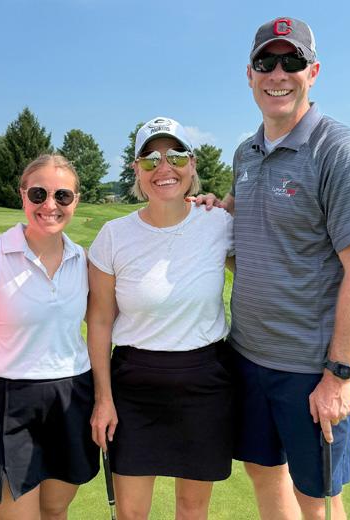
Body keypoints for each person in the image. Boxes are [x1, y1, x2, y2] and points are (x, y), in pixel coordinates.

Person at [199, 17, 350, 520]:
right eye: (266, 62)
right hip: (249, 356)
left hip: (311, 370)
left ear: (312, 72)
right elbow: (253, 246)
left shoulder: (340, 151)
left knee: (317, 500)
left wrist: (339, 375)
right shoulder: (245, 153)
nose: (278, 73)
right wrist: (212, 219)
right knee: (263, 473)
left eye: (292, 61)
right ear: (249, 74)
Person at [87, 117, 235, 520]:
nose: (164, 168)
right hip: (134, 387)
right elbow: (99, 323)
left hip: (204, 382)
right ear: (136, 169)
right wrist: (103, 399)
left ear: (192, 163)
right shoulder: (113, 235)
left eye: (176, 157)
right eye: (151, 160)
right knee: (131, 514)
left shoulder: (219, 223)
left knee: (192, 510)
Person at [0, 154, 99, 520]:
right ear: (23, 195)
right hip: (7, 399)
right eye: (39, 193)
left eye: (62, 196)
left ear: (76, 200)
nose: (50, 205)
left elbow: (106, 322)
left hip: (72, 395)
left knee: (55, 511)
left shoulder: (85, 261)